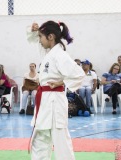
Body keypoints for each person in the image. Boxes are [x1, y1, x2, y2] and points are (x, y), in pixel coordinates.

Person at [27, 21, 85, 160]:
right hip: (45, 101)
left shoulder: (60, 55)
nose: (39, 40)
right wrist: (34, 31)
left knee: (61, 141)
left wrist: (62, 82)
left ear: (51, 37)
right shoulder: (50, 52)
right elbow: (39, 42)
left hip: (55, 102)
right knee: (40, 139)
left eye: (41, 36)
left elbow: (79, 74)